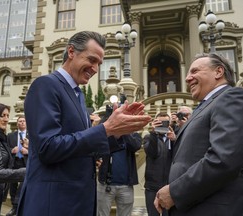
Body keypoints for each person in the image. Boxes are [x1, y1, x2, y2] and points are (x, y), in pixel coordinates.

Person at [18, 31, 151, 216]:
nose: (95, 69)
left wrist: (117, 133)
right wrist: (106, 129)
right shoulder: (46, 85)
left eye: (99, 63)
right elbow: (48, 148)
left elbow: (80, 145)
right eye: (91, 60)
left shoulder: (78, 95)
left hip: (77, 202)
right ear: (71, 52)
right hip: (53, 203)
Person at [154, 53, 243, 216]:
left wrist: (174, 192)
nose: (187, 78)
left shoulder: (233, 97)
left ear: (219, 72)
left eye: (195, 71)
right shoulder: (206, 106)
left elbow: (223, 159)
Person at [97, 132, 141, 216]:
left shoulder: (134, 134)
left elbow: (135, 146)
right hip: (105, 185)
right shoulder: (107, 133)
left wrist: (124, 131)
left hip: (126, 187)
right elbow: (100, 146)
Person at [143, 113, 175, 216]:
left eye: (165, 122)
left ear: (169, 123)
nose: (162, 124)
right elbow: (152, 153)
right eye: (159, 122)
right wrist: (153, 133)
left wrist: (174, 140)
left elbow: (179, 156)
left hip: (169, 187)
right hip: (152, 187)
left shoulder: (173, 138)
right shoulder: (149, 137)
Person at [6, 115, 29, 216]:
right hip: (14, 161)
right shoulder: (10, 135)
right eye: (20, 121)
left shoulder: (31, 135)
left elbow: (37, 149)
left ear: (26, 123)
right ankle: (13, 207)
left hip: (26, 162)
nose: (22, 123)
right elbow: (5, 148)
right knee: (13, 185)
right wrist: (11, 150)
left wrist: (28, 151)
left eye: (24, 121)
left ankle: (17, 205)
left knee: (24, 183)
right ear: (17, 124)